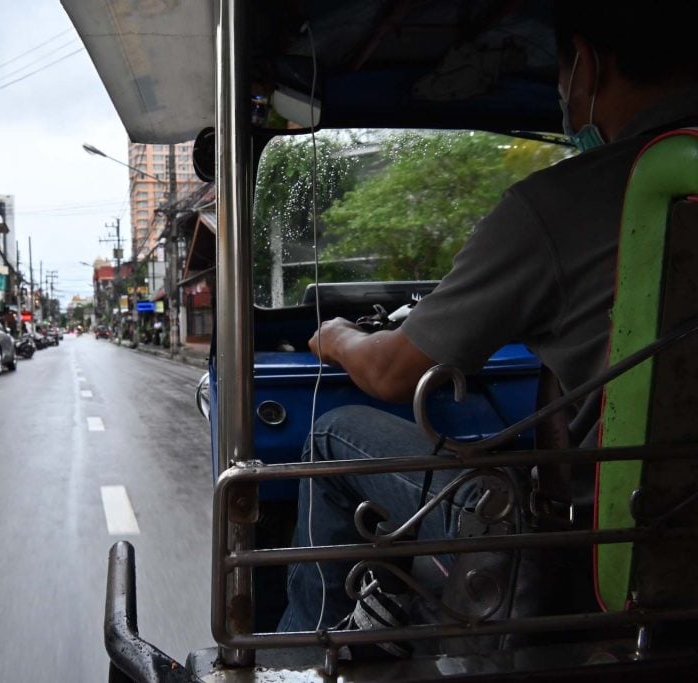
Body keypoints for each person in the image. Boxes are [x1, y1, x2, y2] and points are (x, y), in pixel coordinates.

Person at [278, 2, 698, 634]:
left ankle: (298, 655)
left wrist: (337, 337)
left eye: (560, 74)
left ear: (583, 64)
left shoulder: (559, 203)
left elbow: (393, 371)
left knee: (332, 436)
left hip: (600, 543)